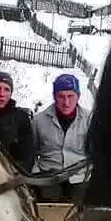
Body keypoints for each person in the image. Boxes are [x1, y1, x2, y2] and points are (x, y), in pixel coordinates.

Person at [32, 74, 90, 202]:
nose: (66, 102)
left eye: (70, 96)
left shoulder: (90, 120)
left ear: (78, 96)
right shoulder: (38, 121)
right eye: (61, 96)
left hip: (80, 178)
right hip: (48, 178)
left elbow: (97, 153)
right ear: (54, 96)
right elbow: (31, 152)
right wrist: (37, 174)